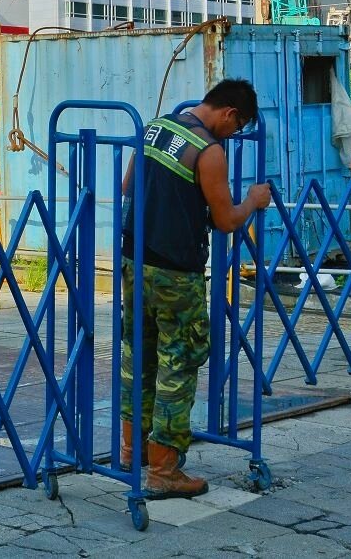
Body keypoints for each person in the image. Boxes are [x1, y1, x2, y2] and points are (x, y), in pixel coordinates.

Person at [119, 79, 272, 499]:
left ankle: (132, 451)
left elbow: (128, 187)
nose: (234, 135)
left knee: (138, 357)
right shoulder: (209, 152)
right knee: (178, 365)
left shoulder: (155, 128)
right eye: (237, 127)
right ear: (230, 113)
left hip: (134, 261)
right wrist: (253, 201)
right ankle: (164, 470)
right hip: (175, 274)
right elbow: (225, 220)